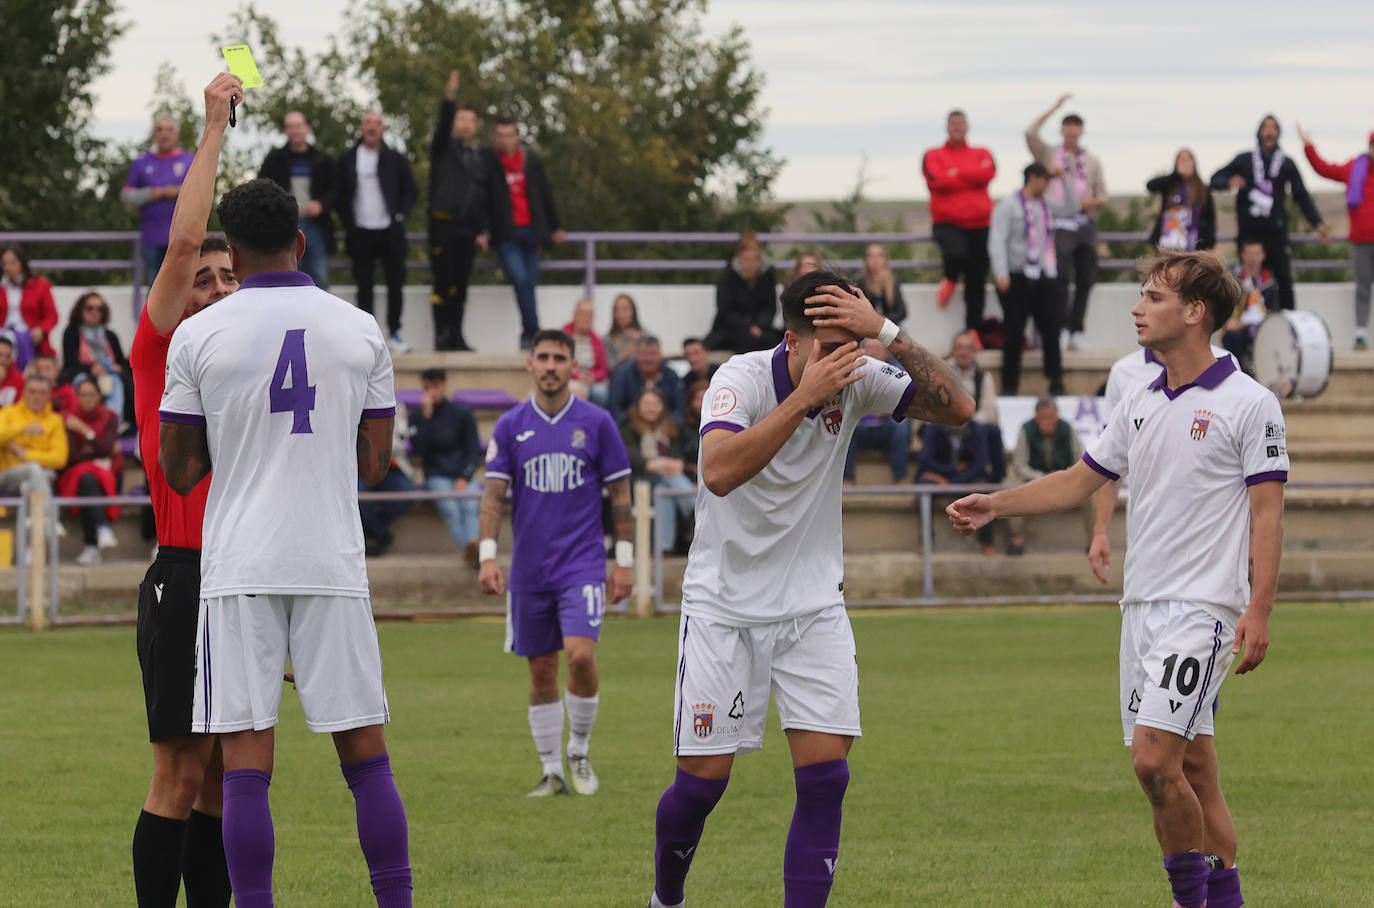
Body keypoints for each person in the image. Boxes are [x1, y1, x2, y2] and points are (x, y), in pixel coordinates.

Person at [950, 250, 1286, 908]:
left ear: (1195, 313)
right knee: (1192, 770)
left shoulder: (1250, 403)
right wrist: (999, 501)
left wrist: (1261, 611)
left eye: (1154, 297)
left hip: (1204, 610)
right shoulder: (1138, 399)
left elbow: (1267, 513)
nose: (1138, 307)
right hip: (1141, 612)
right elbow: (1081, 480)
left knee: (1153, 762)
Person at [646, 270, 973, 908]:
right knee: (701, 789)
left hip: (813, 608)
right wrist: (804, 398)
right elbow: (716, 472)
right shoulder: (737, 379)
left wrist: (885, 333)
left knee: (825, 781)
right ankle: (666, 900)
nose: (838, 363)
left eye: (848, 346)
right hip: (724, 608)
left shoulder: (854, 374)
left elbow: (958, 408)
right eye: (824, 349)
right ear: (790, 340)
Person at [158, 175, 413, 908]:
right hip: (330, 557)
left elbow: (178, 472)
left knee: (245, 764)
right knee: (367, 760)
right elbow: (375, 461)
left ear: (231, 255)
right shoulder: (361, 327)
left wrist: (230, 437)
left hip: (239, 563)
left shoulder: (199, 334)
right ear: (301, 242)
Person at [127, 74, 242, 908]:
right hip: (186, 571)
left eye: (228, 277)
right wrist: (212, 131)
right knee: (176, 775)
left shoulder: (247, 362)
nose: (215, 289)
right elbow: (179, 246)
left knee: (222, 779)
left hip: (242, 577)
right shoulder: (160, 350)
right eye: (204, 280)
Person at [478, 329, 634, 797]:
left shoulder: (598, 422)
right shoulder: (509, 426)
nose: (550, 365)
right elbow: (491, 498)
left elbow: (621, 496)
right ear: (530, 364)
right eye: (542, 357)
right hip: (529, 568)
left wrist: (622, 562)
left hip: (582, 564)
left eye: (559, 358)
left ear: (573, 367)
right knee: (541, 668)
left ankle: (579, 750)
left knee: (582, 656)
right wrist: (488, 556)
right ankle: (551, 770)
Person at [1088, 339, 1235, 587]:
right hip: (1146, 536)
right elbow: (1111, 463)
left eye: (1155, 298)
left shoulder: (1226, 365)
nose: (1138, 310)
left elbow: (1238, 460)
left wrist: (1252, 537)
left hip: (1209, 536)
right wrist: (1100, 531)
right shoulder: (1123, 373)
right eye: (1144, 297)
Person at [1210, 115, 1329, 312]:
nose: (1269, 132)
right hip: (1249, 235)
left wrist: (1318, 223)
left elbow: (1301, 195)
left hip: (1276, 236)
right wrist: (1229, 182)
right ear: (1259, 133)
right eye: (1265, 127)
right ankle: (1240, 328)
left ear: (1278, 134)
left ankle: (1289, 327)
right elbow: (1215, 178)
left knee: (1284, 280)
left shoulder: (1286, 163)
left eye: (1274, 128)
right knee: (1243, 282)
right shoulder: (1244, 160)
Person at [1026, 93, 1108, 352]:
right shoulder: (1049, 153)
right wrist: (1055, 106)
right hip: (1058, 224)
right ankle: (1059, 328)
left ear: (1081, 130)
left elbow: (1103, 194)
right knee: (1060, 278)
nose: (1072, 131)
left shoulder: (1092, 160)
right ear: (1062, 129)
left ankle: (1077, 331)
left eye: (1076, 126)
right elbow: (1029, 133)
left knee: (1085, 278)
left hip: (1085, 224)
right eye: (1067, 125)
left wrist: (1085, 203)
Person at [337, 110, 418, 354]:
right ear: (361, 128)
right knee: (364, 285)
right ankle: (367, 337)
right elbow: (340, 193)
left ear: (383, 129)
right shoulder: (348, 158)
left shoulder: (395, 158)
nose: (372, 128)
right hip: (360, 231)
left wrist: (400, 215)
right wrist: (348, 222)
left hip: (390, 231)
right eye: (368, 123)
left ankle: (394, 333)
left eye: (378, 124)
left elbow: (410, 190)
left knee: (396, 283)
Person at [485, 116, 565, 349]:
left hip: (532, 231)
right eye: (500, 135)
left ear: (517, 136)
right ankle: (536, 334)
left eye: (509, 135)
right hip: (506, 234)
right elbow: (483, 199)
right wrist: (484, 231)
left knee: (527, 283)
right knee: (521, 279)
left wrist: (555, 226)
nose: (505, 140)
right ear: (495, 138)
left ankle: (527, 335)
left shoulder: (530, 160)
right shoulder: (490, 161)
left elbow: (545, 194)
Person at [989, 163, 1067, 396]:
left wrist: (1063, 180)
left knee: (1051, 329)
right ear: (1032, 178)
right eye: (1045, 179)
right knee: (1014, 332)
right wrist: (1000, 271)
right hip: (1017, 276)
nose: (1047, 184)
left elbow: (1072, 208)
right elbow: (997, 239)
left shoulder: (1047, 205)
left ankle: (1055, 380)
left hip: (1044, 275)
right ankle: (1010, 385)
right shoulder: (1008, 206)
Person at [428, 71, 490, 351]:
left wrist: (484, 230)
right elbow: (441, 127)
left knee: (461, 287)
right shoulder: (443, 148)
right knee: (443, 283)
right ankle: (441, 336)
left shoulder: (477, 156)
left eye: (470, 121)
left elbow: (483, 195)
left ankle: (457, 336)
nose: (465, 125)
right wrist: (449, 98)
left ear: (476, 126)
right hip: (443, 225)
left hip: (469, 230)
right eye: (460, 120)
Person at [1300, 123, 1374, 349]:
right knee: (1363, 288)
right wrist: (1308, 147)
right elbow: (1325, 169)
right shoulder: (1354, 168)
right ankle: (1360, 334)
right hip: (1361, 242)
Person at [923, 109, 995, 326]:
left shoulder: (982, 152)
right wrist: (972, 176)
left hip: (980, 224)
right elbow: (937, 181)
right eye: (953, 123)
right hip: (948, 223)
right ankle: (951, 278)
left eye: (961, 123)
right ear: (947, 127)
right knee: (956, 253)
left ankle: (973, 330)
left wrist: (956, 173)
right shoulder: (933, 154)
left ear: (967, 126)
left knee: (977, 279)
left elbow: (989, 173)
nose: (957, 127)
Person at [408, 367, 483, 565]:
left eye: (435, 385)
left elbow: (473, 450)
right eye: (426, 387)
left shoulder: (462, 413)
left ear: (443, 385)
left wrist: (464, 477)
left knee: (470, 505)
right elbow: (419, 448)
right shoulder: (418, 416)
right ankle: (473, 550)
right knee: (451, 508)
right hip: (436, 475)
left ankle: (472, 549)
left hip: (461, 472)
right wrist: (426, 417)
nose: (431, 391)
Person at [258, 110, 336, 289]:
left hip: (317, 225)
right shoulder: (274, 159)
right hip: (284, 226)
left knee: (319, 276)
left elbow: (336, 190)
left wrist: (321, 205)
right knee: (287, 278)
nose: (294, 131)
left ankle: (319, 317)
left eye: (298, 126)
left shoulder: (322, 159)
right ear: (285, 131)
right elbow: (261, 187)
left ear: (307, 128)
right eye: (290, 127)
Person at [1005, 396, 1089, 556]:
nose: (1046, 422)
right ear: (1036, 417)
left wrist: (1064, 476)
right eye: (1042, 418)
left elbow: (1080, 459)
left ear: (1057, 416)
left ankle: (1094, 540)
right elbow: (1019, 464)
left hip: (1065, 479)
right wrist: (1042, 477)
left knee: (1093, 491)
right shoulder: (1026, 429)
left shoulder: (1067, 429)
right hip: (1035, 479)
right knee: (1013, 485)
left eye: (1050, 418)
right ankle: (1016, 537)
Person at [121, 116, 196, 284]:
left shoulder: (190, 160)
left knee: (183, 287)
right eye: (160, 129)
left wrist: (178, 192)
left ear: (177, 134)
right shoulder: (141, 163)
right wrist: (153, 193)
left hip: (183, 238)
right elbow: (126, 197)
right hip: (151, 238)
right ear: (154, 135)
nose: (165, 134)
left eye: (169, 129)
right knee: (154, 289)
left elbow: (202, 191)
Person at [621, 387, 695, 554]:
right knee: (662, 469)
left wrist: (677, 464)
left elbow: (678, 455)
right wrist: (654, 464)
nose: (651, 408)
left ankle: (663, 549)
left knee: (664, 492)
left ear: (662, 407)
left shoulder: (670, 427)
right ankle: (694, 506)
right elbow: (631, 457)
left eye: (655, 404)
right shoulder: (627, 427)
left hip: (665, 480)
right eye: (646, 404)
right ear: (638, 406)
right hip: (640, 478)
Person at [59, 377, 122, 565]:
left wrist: (86, 432)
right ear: (76, 397)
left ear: (99, 396)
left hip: (110, 472)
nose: (87, 399)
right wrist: (98, 449)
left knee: (88, 479)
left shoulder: (110, 416)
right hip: (79, 473)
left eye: (91, 394)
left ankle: (91, 545)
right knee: (86, 479)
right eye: (82, 395)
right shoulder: (69, 418)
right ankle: (101, 529)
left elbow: (105, 447)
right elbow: (73, 455)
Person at [842, 338, 913, 485]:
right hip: (860, 427)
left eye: (877, 348)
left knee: (902, 426)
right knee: (844, 426)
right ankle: (847, 479)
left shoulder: (897, 371)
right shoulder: (852, 369)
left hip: (886, 427)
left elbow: (907, 400)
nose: (873, 352)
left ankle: (900, 478)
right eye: (870, 348)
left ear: (886, 351)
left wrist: (888, 408)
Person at [917, 419, 994, 553]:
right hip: (939, 476)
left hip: (966, 477)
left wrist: (951, 482)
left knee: (983, 488)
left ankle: (986, 542)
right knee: (923, 486)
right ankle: (927, 540)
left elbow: (979, 466)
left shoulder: (978, 429)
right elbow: (925, 462)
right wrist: (953, 469)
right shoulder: (932, 428)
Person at [705, 232, 783, 353]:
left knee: (775, 340)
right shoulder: (728, 276)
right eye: (747, 253)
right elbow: (725, 310)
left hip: (761, 328)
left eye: (755, 253)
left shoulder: (767, 274)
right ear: (740, 254)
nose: (751, 258)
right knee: (747, 341)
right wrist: (748, 327)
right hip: (731, 329)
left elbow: (770, 307)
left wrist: (759, 326)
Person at [0, 375, 66, 516]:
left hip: (36, 477)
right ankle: (51, 524)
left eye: (42, 392)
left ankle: (35, 532)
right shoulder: (7, 412)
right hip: (6, 475)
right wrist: (22, 428)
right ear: (23, 392)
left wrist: (26, 455)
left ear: (49, 395)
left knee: (30, 484)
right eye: (32, 391)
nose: (37, 396)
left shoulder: (55, 420)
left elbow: (60, 458)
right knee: (36, 470)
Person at [358, 405, 418, 557]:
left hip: (392, 467)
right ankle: (380, 534)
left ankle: (376, 530)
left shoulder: (398, 404)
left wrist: (377, 443)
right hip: (360, 468)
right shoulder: (354, 396)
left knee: (407, 491)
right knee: (357, 493)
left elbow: (403, 442)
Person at [60, 292, 129, 420]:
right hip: (82, 375)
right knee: (83, 384)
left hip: (109, 376)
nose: (94, 312)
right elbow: (70, 363)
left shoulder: (110, 335)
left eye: (100, 309)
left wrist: (115, 368)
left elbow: (122, 363)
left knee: (115, 382)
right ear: (81, 310)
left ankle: (111, 423)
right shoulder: (72, 332)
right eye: (90, 308)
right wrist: (91, 369)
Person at [1146, 149, 1216, 252]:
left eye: (1188, 159)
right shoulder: (1169, 184)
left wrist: (1208, 244)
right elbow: (1150, 186)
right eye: (1181, 159)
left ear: (1194, 163)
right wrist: (1176, 174)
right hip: (1168, 242)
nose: (1185, 163)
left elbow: (1210, 218)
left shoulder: (1203, 188)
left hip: (1194, 243)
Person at [1222, 240, 1277, 369]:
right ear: (1243, 255)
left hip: (1262, 326)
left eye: (1256, 254)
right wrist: (1230, 320)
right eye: (1250, 254)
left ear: (1263, 255)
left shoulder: (1269, 282)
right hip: (1240, 328)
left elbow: (1274, 311)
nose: (1253, 258)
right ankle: (1239, 373)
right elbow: (1226, 306)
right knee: (1231, 336)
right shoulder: (1234, 280)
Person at [609, 335, 685, 426]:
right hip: (631, 428)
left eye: (653, 354)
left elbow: (680, 409)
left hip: (666, 428)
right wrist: (631, 426)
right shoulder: (622, 374)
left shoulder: (671, 375)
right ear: (636, 355)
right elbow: (615, 408)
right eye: (644, 354)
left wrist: (668, 425)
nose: (649, 359)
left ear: (660, 355)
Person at [1, 243, 60, 360]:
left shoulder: (40, 284)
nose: (8, 267)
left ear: (22, 263)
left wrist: (42, 329)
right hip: (2, 334)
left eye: (12, 262)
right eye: (4, 263)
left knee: (22, 340)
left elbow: (52, 315)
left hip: (29, 335)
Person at [563, 298, 610, 407]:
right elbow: (559, 363)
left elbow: (603, 370)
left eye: (590, 314)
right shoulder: (563, 336)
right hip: (569, 378)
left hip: (590, 380)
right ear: (574, 315)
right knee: (576, 391)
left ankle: (594, 422)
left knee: (601, 392)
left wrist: (592, 376)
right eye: (583, 313)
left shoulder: (597, 340)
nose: (586, 318)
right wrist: (577, 375)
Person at [853, 243, 908, 324]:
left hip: (889, 327)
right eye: (871, 256)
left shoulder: (893, 280)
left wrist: (882, 322)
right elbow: (856, 311)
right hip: (866, 327)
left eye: (879, 256)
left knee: (905, 335)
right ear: (865, 260)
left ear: (885, 259)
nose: (875, 260)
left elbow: (902, 312)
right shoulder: (860, 282)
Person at [605, 293, 644, 372]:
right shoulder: (607, 339)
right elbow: (608, 369)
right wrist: (625, 355)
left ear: (633, 311)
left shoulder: (644, 335)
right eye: (617, 310)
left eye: (625, 309)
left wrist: (641, 342)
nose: (621, 314)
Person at [0, 336, 26, 407]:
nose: (3, 360)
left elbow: (21, 407)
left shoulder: (20, 379)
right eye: (0, 354)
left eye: (8, 356)